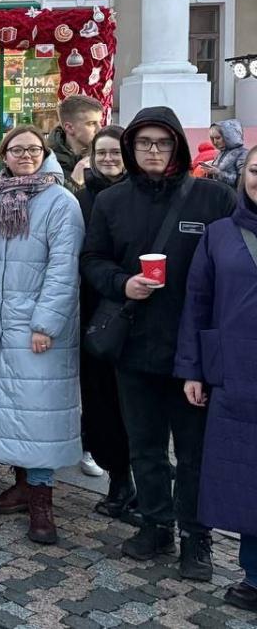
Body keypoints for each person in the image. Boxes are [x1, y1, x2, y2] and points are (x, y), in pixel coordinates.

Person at [81, 107, 234, 579]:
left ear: (177, 147)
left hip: (192, 351)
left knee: (193, 452)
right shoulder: (112, 201)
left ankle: (196, 537)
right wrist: (122, 283)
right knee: (144, 445)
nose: (153, 151)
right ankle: (155, 523)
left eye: (162, 142)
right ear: (131, 147)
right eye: (144, 142)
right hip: (134, 344)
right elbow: (92, 259)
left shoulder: (213, 197)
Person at [0, 126, 83, 546]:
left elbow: (64, 267)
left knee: (38, 412)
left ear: (45, 153)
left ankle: (42, 501)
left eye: (33, 149)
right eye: (16, 149)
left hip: (37, 326)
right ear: (4, 155)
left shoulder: (60, 201)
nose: (25, 155)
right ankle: (21, 484)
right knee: (12, 409)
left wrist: (46, 323)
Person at [177, 146, 257, 613]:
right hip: (237, 374)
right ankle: (254, 574)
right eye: (256, 171)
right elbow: (198, 302)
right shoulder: (220, 234)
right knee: (246, 474)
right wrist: (193, 369)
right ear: (243, 175)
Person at [75, 126, 136, 523]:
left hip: (136, 311)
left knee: (134, 402)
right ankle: (118, 479)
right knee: (101, 401)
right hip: (94, 312)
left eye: (116, 153)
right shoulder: (81, 199)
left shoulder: (140, 196)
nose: (109, 159)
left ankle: (138, 479)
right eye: (103, 153)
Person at [49, 94, 105, 189]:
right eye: (92, 123)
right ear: (69, 128)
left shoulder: (106, 157)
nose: (100, 129)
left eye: (100, 122)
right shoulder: (46, 162)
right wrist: (75, 182)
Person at [202, 119, 247, 188]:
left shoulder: (242, 154)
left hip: (232, 194)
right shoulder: (221, 153)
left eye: (218, 138)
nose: (215, 142)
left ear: (229, 136)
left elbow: (243, 181)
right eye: (212, 138)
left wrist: (218, 172)